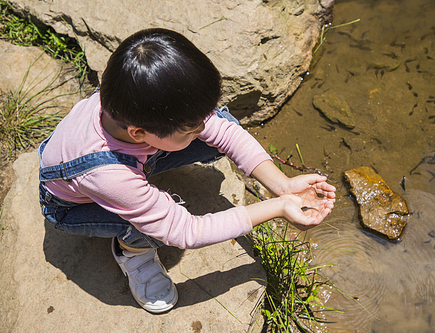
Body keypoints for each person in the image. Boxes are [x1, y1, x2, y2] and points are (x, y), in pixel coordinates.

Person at [38, 28, 336, 314]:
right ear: (139, 132)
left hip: (127, 155)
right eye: (191, 129)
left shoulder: (130, 93)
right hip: (68, 206)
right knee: (152, 226)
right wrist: (278, 207)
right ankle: (132, 252)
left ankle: (154, 167)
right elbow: (186, 232)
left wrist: (281, 185)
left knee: (221, 129)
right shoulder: (109, 176)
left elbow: (223, 131)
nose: (202, 127)